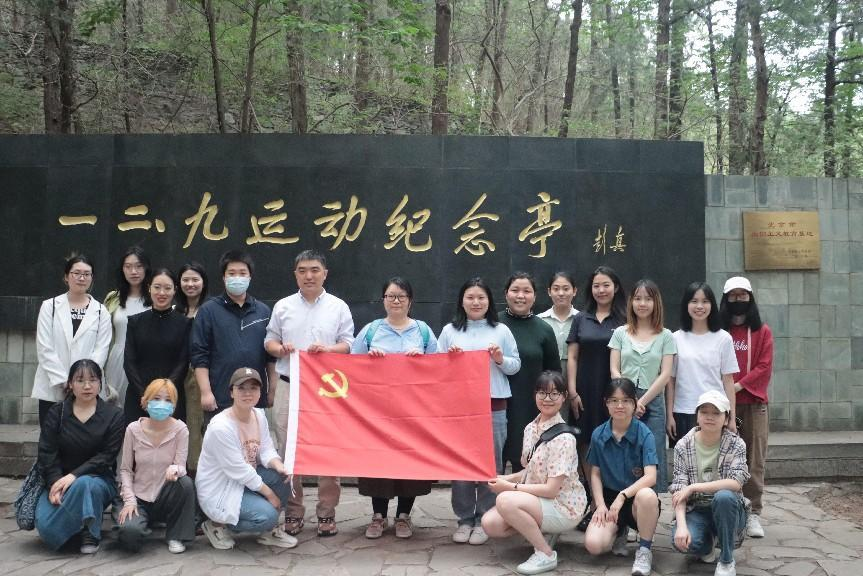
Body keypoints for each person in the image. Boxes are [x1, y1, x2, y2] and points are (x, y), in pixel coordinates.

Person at [265, 249, 354, 538]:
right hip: (289, 385)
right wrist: (280, 349)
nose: (309, 276)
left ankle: (327, 512)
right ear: (295, 275)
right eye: (302, 270)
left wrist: (328, 350)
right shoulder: (283, 306)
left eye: (315, 270)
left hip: (326, 389)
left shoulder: (339, 307)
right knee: (288, 450)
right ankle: (294, 511)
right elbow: (269, 340)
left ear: (325, 273)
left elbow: (348, 344)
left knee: (328, 449)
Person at [351, 277, 438, 539]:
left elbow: (440, 370)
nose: (396, 301)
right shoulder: (370, 331)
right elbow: (351, 369)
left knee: (409, 463)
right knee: (378, 463)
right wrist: (369, 362)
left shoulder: (423, 331)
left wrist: (423, 362)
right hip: (377, 413)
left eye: (401, 296)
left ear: (410, 301)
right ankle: (378, 515)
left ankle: (403, 515)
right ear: (383, 300)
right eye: (390, 296)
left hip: (413, 413)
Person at [438, 277, 521, 546]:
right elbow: (436, 368)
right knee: (461, 463)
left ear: (489, 301)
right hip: (459, 406)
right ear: (462, 301)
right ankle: (464, 519)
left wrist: (499, 359)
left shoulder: (501, 330)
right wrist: (449, 359)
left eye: (481, 297)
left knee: (491, 464)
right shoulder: (450, 331)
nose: (476, 302)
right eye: (470, 297)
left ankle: (485, 517)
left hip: (493, 403)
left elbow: (515, 366)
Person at [481, 371, 586, 575]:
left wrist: (509, 486)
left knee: (505, 500)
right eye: (542, 393)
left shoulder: (564, 438)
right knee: (490, 524)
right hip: (538, 499)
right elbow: (530, 470)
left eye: (554, 393)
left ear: (564, 397)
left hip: (563, 504)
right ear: (535, 395)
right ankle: (539, 532)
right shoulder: (530, 428)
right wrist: (503, 478)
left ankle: (545, 553)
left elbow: (552, 490)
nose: (547, 399)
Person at [195, 368, 297, 550]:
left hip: (245, 480)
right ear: (231, 392)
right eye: (241, 388)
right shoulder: (220, 427)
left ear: (260, 392)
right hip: (222, 488)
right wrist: (270, 494)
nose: (248, 393)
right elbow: (239, 470)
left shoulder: (259, 415)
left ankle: (269, 532)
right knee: (267, 516)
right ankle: (217, 524)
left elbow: (266, 450)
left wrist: (279, 465)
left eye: (253, 388)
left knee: (283, 476)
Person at [34, 359, 125, 554]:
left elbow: (106, 457)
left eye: (93, 380)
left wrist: (74, 476)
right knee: (46, 528)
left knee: (85, 484)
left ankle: (90, 532)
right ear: (70, 384)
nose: (87, 386)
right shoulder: (57, 413)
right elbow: (47, 453)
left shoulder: (114, 415)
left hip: (99, 480)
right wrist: (55, 483)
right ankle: (74, 526)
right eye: (80, 380)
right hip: (60, 480)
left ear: (100, 383)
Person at [190, 250, 277, 427]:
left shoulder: (263, 311)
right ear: (223, 277)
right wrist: (206, 392)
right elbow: (199, 356)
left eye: (242, 273)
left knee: (253, 442)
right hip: (219, 397)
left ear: (250, 277)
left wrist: (272, 390)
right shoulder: (208, 311)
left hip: (255, 397)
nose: (237, 278)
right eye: (231, 273)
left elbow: (271, 358)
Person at [584, 378, 660, 576]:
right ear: (606, 403)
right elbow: (595, 473)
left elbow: (651, 477)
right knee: (594, 545)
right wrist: (600, 504)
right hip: (610, 499)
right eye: (614, 400)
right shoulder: (598, 434)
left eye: (626, 400)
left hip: (636, 500)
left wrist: (623, 496)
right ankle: (619, 530)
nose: (620, 406)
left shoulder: (645, 434)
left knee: (647, 496)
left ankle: (644, 550)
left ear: (635, 403)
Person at [670, 390, 750, 576]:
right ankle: (707, 545)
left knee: (724, 496)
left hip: (728, 508)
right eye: (704, 412)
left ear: (726, 418)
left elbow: (736, 483)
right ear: (697, 416)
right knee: (681, 541)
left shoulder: (736, 444)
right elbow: (679, 490)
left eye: (716, 413)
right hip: (696, 509)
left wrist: (694, 487)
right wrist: (681, 526)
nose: (709, 417)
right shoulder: (683, 445)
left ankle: (727, 560)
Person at [609, 279, 676, 492]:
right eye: (638, 298)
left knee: (653, 452)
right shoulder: (620, 333)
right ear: (631, 302)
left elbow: (665, 374)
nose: (642, 303)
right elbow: (614, 369)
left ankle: (654, 500)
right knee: (624, 449)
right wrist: (628, 399)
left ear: (656, 302)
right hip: (623, 399)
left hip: (653, 400)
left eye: (648, 299)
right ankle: (624, 498)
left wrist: (641, 402)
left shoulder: (666, 336)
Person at [721, 276, 773, 539]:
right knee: (725, 459)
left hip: (753, 403)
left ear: (750, 298)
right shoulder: (720, 332)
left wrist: (738, 387)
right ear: (725, 299)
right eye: (733, 295)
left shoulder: (762, 331)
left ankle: (753, 512)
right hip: (722, 405)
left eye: (743, 295)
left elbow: (764, 367)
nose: (738, 299)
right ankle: (729, 510)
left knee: (754, 459)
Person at [117, 378, 196, 553]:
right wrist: (129, 500)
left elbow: (181, 466)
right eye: (156, 398)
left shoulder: (180, 429)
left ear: (174, 405)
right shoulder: (133, 429)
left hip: (165, 495)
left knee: (185, 483)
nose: (162, 404)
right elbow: (126, 470)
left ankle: (176, 535)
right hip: (139, 496)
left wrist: (176, 469)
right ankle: (142, 522)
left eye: (168, 400)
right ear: (145, 401)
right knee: (130, 535)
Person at [32, 255, 112, 425]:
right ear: (66, 276)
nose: (81, 278)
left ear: (92, 278)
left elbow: (101, 350)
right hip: (53, 388)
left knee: (85, 436)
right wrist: (65, 381)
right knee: (51, 435)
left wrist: (83, 380)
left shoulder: (101, 311)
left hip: (88, 390)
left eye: (87, 274)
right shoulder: (50, 307)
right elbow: (44, 348)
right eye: (76, 273)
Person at [566, 266, 626, 489]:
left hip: (613, 390)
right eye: (596, 286)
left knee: (614, 438)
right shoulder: (581, 318)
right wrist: (573, 392)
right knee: (585, 441)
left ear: (615, 287)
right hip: (585, 390)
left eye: (606, 285)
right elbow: (573, 357)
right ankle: (593, 495)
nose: (601, 290)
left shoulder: (624, 319)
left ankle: (612, 493)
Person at [499, 272, 561, 473]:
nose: (520, 296)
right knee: (493, 463)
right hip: (496, 404)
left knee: (525, 463)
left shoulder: (544, 329)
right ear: (506, 294)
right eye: (515, 290)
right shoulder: (493, 324)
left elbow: (554, 373)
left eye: (526, 291)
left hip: (530, 406)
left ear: (534, 296)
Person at [667, 282, 738, 444]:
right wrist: (669, 415)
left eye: (705, 301)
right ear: (686, 305)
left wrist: (732, 417)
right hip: (683, 411)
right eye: (694, 301)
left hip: (715, 411)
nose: (699, 306)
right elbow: (670, 380)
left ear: (712, 305)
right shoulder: (675, 338)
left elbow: (728, 380)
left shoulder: (724, 338)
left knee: (714, 458)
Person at [124, 268, 191, 423]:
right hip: (139, 396)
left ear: (175, 290)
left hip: (171, 397)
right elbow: (129, 362)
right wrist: (145, 395)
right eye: (157, 287)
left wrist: (165, 393)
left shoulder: (185, 324)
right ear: (149, 288)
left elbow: (183, 362)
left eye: (167, 288)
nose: (162, 293)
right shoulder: (135, 322)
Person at [104, 246, 152, 408]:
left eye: (139, 266)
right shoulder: (113, 298)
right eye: (128, 266)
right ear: (122, 269)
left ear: (146, 268)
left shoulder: (155, 297)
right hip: (118, 359)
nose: (134, 271)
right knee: (115, 409)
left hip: (146, 360)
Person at [176, 261, 208, 473]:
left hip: (202, 375)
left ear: (203, 282)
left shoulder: (212, 310)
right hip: (177, 376)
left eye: (195, 279)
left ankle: (199, 471)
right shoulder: (174, 310)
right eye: (185, 280)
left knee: (199, 425)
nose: (190, 284)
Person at [538, 271, 579, 380]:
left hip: (577, 378)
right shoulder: (539, 320)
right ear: (549, 292)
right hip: (546, 381)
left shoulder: (583, 320)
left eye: (566, 289)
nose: (561, 293)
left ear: (574, 291)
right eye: (556, 289)